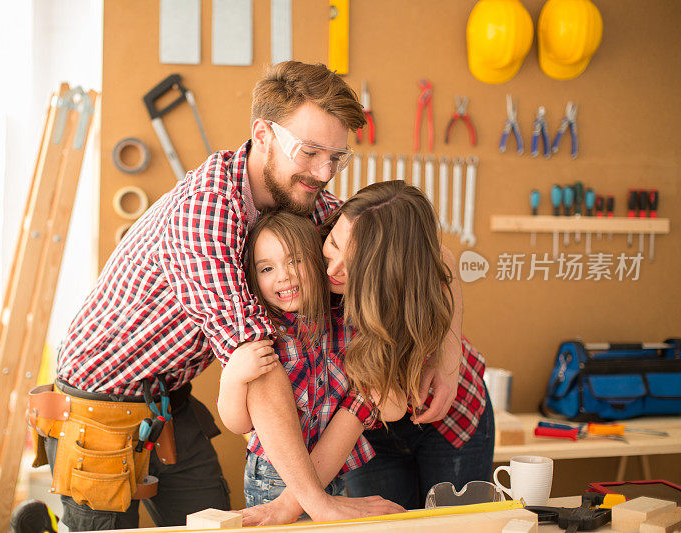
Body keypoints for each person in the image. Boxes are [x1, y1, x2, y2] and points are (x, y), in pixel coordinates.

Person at [27, 61, 402, 531]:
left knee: (216, 526)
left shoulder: (301, 200)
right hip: (97, 405)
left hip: (170, 403)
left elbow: (412, 256)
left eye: (336, 158)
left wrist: (446, 355)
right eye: (309, 152)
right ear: (262, 132)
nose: (324, 172)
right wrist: (318, 505)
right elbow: (257, 361)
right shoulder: (205, 210)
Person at [322, 180, 495, 510]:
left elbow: (442, 259)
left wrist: (449, 358)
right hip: (367, 430)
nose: (334, 269)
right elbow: (386, 406)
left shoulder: (414, 267)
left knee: (454, 528)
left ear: (395, 269)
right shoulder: (340, 226)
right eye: (332, 244)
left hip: (452, 412)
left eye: (356, 265)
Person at [217, 210, 407, 510]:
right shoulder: (265, 335)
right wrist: (232, 378)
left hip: (335, 468)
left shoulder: (346, 324)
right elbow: (238, 423)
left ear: (319, 262)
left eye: (295, 261)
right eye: (267, 269)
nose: (284, 275)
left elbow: (393, 406)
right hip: (275, 477)